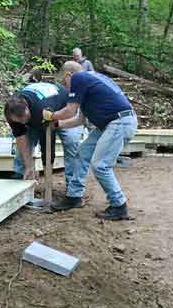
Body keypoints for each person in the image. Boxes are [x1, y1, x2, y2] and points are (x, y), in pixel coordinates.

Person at [44, 61, 137, 220]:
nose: (67, 88)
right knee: (82, 153)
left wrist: (50, 116)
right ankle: (74, 197)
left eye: (64, 83)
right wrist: (57, 124)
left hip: (119, 122)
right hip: (110, 123)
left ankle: (119, 206)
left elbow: (69, 111)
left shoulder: (79, 77)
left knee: (101, 165)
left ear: (69, 75)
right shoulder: (91, 83)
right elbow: (79, 119)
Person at [4, 82, 83, 193]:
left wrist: (48, 179)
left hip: (67, 110)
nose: (22, 122)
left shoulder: (40, 110)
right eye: (19, 121)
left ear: (27, 108)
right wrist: (29, 166)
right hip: (42, 114)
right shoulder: (11, 111)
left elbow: (48, 144)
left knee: (71, 143)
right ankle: (22, 179)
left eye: (24, 119)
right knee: (22, 148)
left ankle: (73, 189)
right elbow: (20, 136)